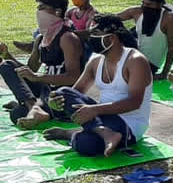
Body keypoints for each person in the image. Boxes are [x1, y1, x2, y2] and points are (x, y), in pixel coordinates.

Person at [43, 15, 152, 157]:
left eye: (95, 34)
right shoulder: (96, 60)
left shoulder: (135, 60)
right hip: (101, 117)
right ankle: (104, 133)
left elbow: (134, 102)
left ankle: (70, 134)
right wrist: (56, 101)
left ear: (111, 38)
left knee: (86, 144)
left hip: (130, 124)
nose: (90, 38)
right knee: (63, 92)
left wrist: (94, 110)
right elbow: (74, 92)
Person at [0, 0, 85, 129]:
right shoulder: (41, 39)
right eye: (38, 8)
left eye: (43, 8)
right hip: (45, 90)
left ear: (57, 11)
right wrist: (6, 54)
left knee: (17, 114)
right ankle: (33, 107)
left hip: (63, 95)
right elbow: (28, 71)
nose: (39, 12)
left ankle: (32, 107)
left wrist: (38, 77)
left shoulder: (67, 38)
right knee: (7, 66)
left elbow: (74, 77)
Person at [116, 0, 173, 80]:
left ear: (160, 4)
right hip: (133, 56)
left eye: (149, 5)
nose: (144, 7)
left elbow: (172, 48)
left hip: (148, 65)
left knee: (124, 33)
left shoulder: (170, 19)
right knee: (113, 27)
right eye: (143, 3)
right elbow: (113, 18)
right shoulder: (137, 11)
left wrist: (164, 73)